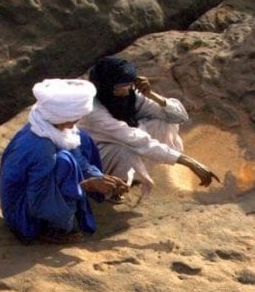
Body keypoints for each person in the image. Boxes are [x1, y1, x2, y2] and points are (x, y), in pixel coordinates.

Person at [0, 78, 128, 243]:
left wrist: (101, 179)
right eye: (76, 116)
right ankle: (52, 229)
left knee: (83, 140)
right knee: (65, 162)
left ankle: (70, 205)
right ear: (63, 116)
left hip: (40, 191)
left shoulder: (52, 126)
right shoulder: (41, 147)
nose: (78, 119)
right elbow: (38, 196)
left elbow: (80, 161)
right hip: (25, 211)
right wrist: (85, 186)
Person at [81, 56, 218, 197]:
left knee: (163, 124)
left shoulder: (130, 96)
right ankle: (114, 186)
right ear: (106, 88)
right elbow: (136, 140)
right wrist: (190, 163)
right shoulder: (94, 111)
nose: (127, 90)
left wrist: (151, 95)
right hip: (96, 155)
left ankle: (135, 174)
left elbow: (179, 117)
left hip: (127, 140)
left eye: (129, 83)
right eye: (121, 86)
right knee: (123, 151)